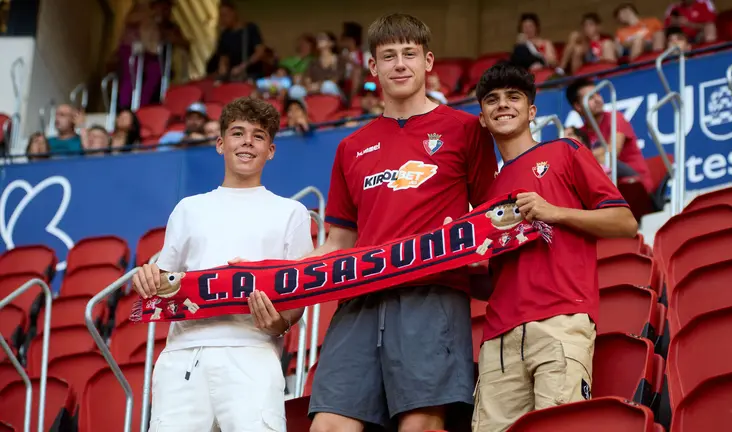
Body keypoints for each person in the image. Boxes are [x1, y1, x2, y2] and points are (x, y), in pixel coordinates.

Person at [305, 13, 499, 432]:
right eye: (388, 56)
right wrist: (280, 279)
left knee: (421, 425)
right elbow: (339, 238)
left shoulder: (466, 130)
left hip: (431, 294)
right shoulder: (351, 146)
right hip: (360, 298)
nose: (399, 64)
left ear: (428, 61)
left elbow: (492, 214)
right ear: (373, 68)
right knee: (328, 425)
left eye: (409, 54)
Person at [471, 62, 638, 431]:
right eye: (492, 100)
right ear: (482, 117)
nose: (502, 105)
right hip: (498, 336)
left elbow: (624, 222)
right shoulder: (483, 191)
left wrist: (554, 213)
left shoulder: (566, 151)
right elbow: (494, 280)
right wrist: (465, 271)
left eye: (513, 97)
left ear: (531, 111)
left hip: (561, 321)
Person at [131, 97, 313, 431]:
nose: (247, 142)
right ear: (220, 144)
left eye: (258, 136)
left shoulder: (292, 212)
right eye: (238, 133)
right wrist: (147, 278)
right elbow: (166, 282)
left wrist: (279, 324)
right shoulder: (188, 209)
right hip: (184, 353)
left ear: (271, 150)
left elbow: (296, 300)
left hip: (253, 351)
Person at [566, 77, 653, 193]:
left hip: (634, 183)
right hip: (608, 187)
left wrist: (586, 157)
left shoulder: (615, 118)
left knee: (603, 159)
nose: (597, 99)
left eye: (597, 94)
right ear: (578, 106)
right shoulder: (580, 132)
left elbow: (611, 154)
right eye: (591, 97)